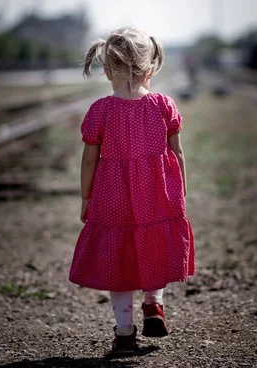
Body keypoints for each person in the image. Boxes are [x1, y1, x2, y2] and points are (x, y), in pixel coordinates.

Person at [69, 28, 196, 355]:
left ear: (108, 70)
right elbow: (178, 153)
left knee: (118, 259)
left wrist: (86, 196)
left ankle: (125, 332)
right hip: (157, 194)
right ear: (150, 69)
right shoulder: (163, 105)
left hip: (113, 198)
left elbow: (88, 161)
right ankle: (154, 305)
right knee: (154, 247)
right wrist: (180, 192)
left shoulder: (100, 110)